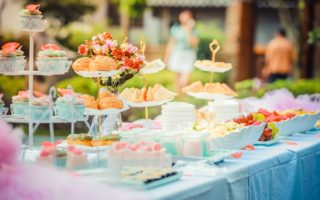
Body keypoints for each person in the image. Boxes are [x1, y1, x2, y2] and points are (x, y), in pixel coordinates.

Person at [165, 10, 199, 92]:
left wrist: (189, 30)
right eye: (183, 15)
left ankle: (185, 91)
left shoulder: (193, 30)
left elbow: (194, 44)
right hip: (177, 53)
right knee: (177, 75)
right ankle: (180, 95)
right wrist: (166, 57)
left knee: (185, 79)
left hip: (189, 54)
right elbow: (171, 43)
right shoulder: (175, 29)